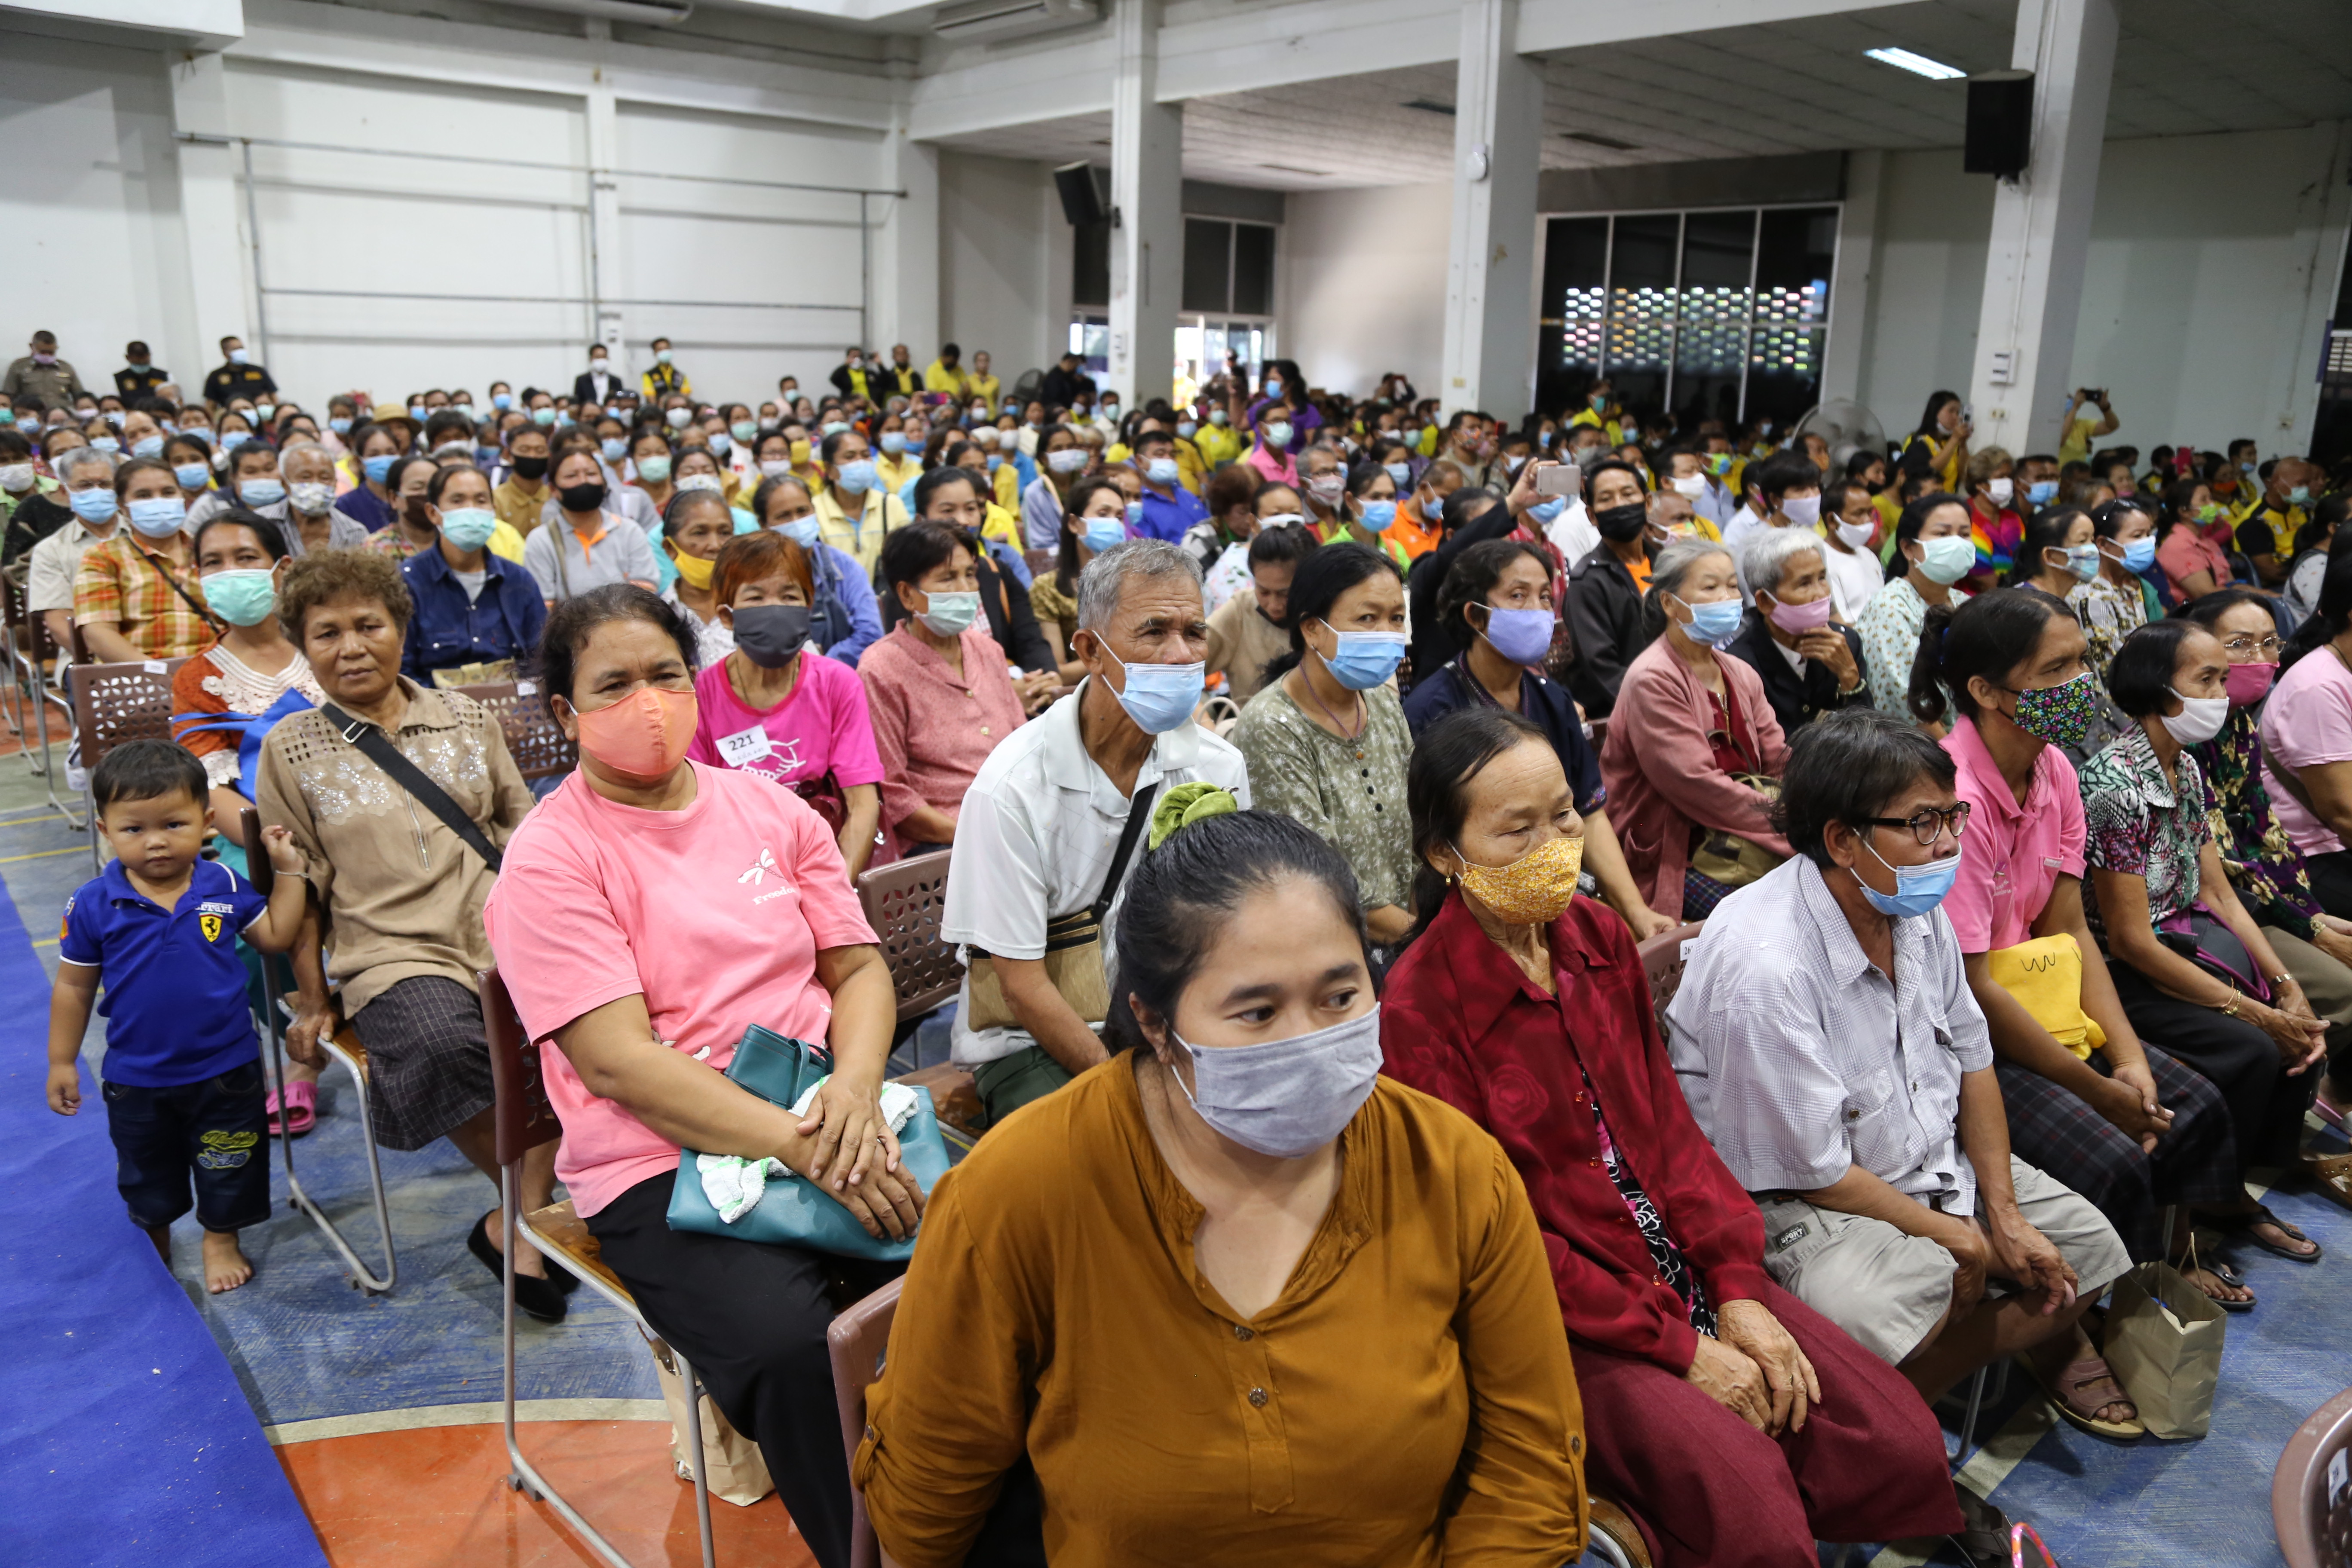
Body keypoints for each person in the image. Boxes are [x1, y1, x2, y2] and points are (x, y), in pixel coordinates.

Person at [858, 803, 1586, 1568]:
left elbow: (1529, 1472)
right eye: (1257, 1011)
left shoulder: (1455, 1171)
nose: (1308, 1041)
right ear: (1155, 1022)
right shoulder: (1020, 1192)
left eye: (1340, 998)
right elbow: (923, 1513)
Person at [1381, 707, 1965, 1568]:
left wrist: (1737, 1288)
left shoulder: (1594, 936)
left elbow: (1669, 1133)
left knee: (1892, 1439)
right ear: (1444, 853)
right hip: (1566, 1314)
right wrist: (1680, 1345)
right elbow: (1492, 1239)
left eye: (1563, 816)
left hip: (1681, 1262)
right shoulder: (1418, 1008)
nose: (1555, 845)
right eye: (1517, 830)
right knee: (1751, 1512)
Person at [481, 585, 916, 1568]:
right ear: (566, 713)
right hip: (661, 1160)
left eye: (666, 675)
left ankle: (988, 1514)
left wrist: (852, 1093)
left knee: (980, 1260)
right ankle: (873, 1552)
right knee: (791, 1347)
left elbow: (856, 970)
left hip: (822, 1106)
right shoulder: (552, 859)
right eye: (615, 685)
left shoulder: (768, 810)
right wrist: (807, 1149)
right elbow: (618, 1062)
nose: (648, 702)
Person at [1669, 708, 2140, 1440]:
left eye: (1953, 815)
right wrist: (1962, 1238)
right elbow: (1816, 1170)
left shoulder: (1907, 901)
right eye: (1923, 822)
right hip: (1805, 1196)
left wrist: (2003, 1212)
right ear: (1841, 840)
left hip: (1921, 1154)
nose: (1948, 842)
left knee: (2090, 1253)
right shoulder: (1767, 967)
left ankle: (1915, 1388)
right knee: (1897, 1309)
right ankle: (1894, 1418)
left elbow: (1973, 1056)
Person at [1905, 590, 2248, 1307]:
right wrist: (2096, 1088)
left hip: (2041, 999)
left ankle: (2167, 1261)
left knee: (2193, 1105)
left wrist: (2126, 1058)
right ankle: (2083, 1320)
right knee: (2115, 1152)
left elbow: (2071, 928)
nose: (2081, 686)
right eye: (2055, 670)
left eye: (2081, 662)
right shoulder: (1951, 799)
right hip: (1966, 1032)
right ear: (1985, 691)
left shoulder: (2054, 768)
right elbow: (1971, 986)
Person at [254, 551, 561, 1319]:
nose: (352, 647)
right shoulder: (291, 747)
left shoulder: (466, 716)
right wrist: (314, 1001)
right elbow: (301, 883)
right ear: (302, 645)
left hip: (500, 926)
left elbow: (522, 827)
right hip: (390, 950)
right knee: (440, 1045)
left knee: (576, 1032)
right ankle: (533, 1214)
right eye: (327, 633)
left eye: (370, 625)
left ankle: (517, 1219)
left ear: (401, 626)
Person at [943, 539, 1250, 1127]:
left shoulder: (1216, 767)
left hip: (1170, 1016)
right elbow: (1021, 987)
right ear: (1090, 651)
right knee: (1117, 1150)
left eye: (1194, 632)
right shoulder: (1013, 788)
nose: (1180, 655)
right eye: (1154, 631)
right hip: (1035, 1038)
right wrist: (1131, 1089)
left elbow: (1225, 922)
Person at [2084, 619, 2330, 1267]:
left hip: (2191, 939)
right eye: (2207, 680)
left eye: (2223, 680)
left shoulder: (2186, 768)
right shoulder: (2113, 786)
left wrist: (2286, 987)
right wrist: (2253, 1012)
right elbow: (2131, 940)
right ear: (2159, 688)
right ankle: (2186, 1224)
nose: (2222, 695)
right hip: (2125, 965)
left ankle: (2234, 1187)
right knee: (2250, 1048)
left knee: (2303, 1031)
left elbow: (2218, 893)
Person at [48, 741, 310, 1295]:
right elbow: (73, 986)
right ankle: (157, 1238)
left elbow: (274, 937)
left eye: (173, 824)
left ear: (206, 821)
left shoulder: (224, 886)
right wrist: (61, 1061)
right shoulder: (92, 903)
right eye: (134, 829)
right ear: (106, 830)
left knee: (230, 1160)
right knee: (147, 1171)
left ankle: (220, 1238)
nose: (156, 841)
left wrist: (289, 874)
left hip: (227, 1069)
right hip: (137, 1077)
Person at [1407, 537, 1672, 941]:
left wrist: (1637, 912)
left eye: (1546, 597)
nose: (1538, 610)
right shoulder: (1434, 710)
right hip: (1478, 903)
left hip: (1558, 883)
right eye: (1518, 596)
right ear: (1476, 616)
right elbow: (1437, 848)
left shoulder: (1552, 698)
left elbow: (1589, 811)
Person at [2179, 588, 2352, 1144]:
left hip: (2257, 898)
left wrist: (2311, 915)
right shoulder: (2185, 739)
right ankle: (2282, 1131)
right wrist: (2312, 929)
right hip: (2205, 910)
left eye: (2269, 643)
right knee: (2345, 992)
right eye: (2240, 645)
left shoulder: (2236, 725)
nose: (2259, 658)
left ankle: (2313, 1107)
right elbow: (2224, 870)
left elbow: (2267, 838)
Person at [1231, 544, 1416, 950]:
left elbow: (1419, 828)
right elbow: (1318, 878)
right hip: (1334, 950)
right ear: (1312, 629)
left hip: (1409, 940)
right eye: (1367, 618)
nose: (1387, 633)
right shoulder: (1273, 726)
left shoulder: (1382, 704)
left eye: (1396, 618)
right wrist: (1426, 943)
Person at [1598, 539, 1790, 921]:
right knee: (1762, 918)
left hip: (1751, 829)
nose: (1727, 597)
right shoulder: (1653, 678)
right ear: (1669, 604)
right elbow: (1698, 787)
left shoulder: (1741, 673)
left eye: (1732, 586)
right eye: (1710, 587)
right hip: (1675, 851)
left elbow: (1778, 758)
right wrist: (1788, 822)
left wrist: (1807, 808)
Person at [685, 530, 884, 879]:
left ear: (808, 608)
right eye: (756, 596)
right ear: (728, 616)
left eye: (789, 596)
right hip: (738, 864)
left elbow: (862, 803)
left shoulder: (838, 683)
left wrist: (836, 887)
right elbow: (697, 814)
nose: (774, 609)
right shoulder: (700, 695)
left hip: (825, 855)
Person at [861, 521, 1029, 858]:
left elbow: (1023, 750)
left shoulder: (987, 650)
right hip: (944, 844)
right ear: (907, 594)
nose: (965, 589)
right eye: (948, 578)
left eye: (970, 575)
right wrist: (975, 835)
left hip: (1017, 823)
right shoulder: (881, 669)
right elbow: (894, 794)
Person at [400, 462, 548, 687]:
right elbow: (402, 669)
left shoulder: (518, 581)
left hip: (511, 703)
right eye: (457, 501)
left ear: (493, 510)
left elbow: (540, 660)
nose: (471, 509)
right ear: (433, 513)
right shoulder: (408, 583)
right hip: (433, 703)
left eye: (480, 501)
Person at [1727, 528, 1870, 738]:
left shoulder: (1846, 642)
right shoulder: (1739, 665)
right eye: (1804, 584)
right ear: (1765, 602)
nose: (1821, 594)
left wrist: (1849, 676)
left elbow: (1870, 735)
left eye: (1822, 578)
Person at [74, 456, 215, 662]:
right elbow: (99, 634)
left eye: (168, 493)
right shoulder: (103, 558)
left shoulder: (210, 551)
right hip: (141, 674)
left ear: (182, 497)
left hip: (215, 668)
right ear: (122, 506)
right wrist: (159, 674)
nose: (158, 501)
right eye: (144, 496)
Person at [1855, 493, 1974, 722]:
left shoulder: (1964, 604)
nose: (1957, 543)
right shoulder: (1890, 608)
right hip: (1920, 740)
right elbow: (1908, 706)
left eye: (1964, 534)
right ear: (1908, 548)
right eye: (1942, 534)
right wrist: (1952, 746)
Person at [525, 445, 658, 604]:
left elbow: (645, 593)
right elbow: (544, 604)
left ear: (604, 484)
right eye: (572, 476)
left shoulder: (629, 531)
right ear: (554, 490)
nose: (584, 481)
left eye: (591, 474)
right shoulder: (541, 540)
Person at [25, 445, 121, 655]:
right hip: (85, 658)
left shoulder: (144, 537)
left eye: (105, 484)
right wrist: (109, 658)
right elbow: (59, 624)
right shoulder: (50, 551)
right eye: (85, 486)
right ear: (65, 492)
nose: (97, 491)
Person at [1204, 522, 1309, 706]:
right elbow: (1181, 672)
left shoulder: (1327, 615)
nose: (1274, 606)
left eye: (1285, 594)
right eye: (1264, 592)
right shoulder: (1240, 612)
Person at [2070, 498, 2159, 684]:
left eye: (2149, 534)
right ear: (2103, 544)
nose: (2149, 543)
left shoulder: (2129, 587)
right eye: (2137, 536)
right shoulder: (2090, 598)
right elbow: (2109, 671)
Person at [655, 487, 735, 664]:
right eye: (700, 533)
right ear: (670, 548)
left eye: (725, 533)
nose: (715, 545)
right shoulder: (656, 616)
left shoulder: (753, 607)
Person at [812, 427, 907, 573]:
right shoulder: (814, 511)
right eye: (850, 457)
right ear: (829, 468)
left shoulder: (891, 504)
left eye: (866, 455)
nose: (860, 462)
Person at [279, 440, 373, 554]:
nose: (316, 484)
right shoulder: (265, 523)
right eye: (306, 477)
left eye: (325, 478)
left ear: (335, 483)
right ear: (285, 484)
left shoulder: (355, 533)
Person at [2153, 478, 2234, 601]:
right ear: (2184, 512)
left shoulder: (2209, 542)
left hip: (2228, 602)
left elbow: (2231, 583)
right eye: (2204, 500)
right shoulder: (2177, 546)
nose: (2212, 504)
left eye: (2211, 498)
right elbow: (2206, 595)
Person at [1818, 478, 1885, 621]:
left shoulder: (1868, 555)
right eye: (1859, 513)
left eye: (1870, 513)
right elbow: (1839, 622)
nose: (1868, 520)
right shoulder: (1822, 561)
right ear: (1832, 520)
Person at [1130, 426, 1207, 543]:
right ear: (1140, 461)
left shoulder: (1187, 496)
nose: (1169, 459)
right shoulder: (1139, 507)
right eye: (1160, 454)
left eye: (1172, 454)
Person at [1897, 391, 1970, 495]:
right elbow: (1930, 471)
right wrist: (1954, 440)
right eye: (1951, 411)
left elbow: (1964, 475)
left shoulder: (1950, 442)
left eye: (1958, 413)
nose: (1956, 417)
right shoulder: (1919, 440)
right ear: (1936, 412)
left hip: (1948, 498)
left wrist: (1963, 444)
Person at [5, 329, 83, 406]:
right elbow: (8, 397)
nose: (47, 355)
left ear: (56, 348)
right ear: (32, 347)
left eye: (51, 353)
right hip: (32, 412)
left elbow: (80, 396)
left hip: (61, 412)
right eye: (43, 352)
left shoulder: (66, 368)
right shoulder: (19, 367)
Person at [201, 337, 276, 410]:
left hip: (257, 413)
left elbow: (274, 398)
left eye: (241, 348)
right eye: (235, 349)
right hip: (231, 415)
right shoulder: (216, 376)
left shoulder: (258, 371)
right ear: (225, 353)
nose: (240, 352)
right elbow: (210, 405)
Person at [2057, 389, 2119, 467]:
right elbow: (2060, 440)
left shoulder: (2080, 424)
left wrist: (2105, 408)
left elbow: (2111, 427)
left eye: (2070, 398)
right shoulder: (2048, 427)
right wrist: (2075, 407)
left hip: (2079, 473)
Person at [640, 336, 689, 401]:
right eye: (660, 350)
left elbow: (685, 396)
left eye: (666, 349)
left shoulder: (681, 376)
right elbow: (650, 397)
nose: (664, 352)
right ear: (655, 352)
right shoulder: (649, 375)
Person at [572, 343, 622, 407]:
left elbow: (620, 401)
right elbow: (578, 402)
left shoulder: (616, 381)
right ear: (591, 359)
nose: (601, 360)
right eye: (598, 357)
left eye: (604, 357)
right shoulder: (582, 381)